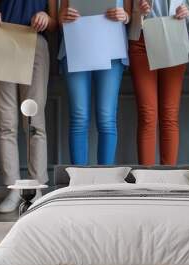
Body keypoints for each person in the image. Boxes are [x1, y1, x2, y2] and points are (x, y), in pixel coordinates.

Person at [0, 0, 57, 213]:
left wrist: (46, 18)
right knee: (6, 123)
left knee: (35, 123)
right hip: (2, 41)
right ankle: (13, 190)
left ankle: (36, 189)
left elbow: (54, 23)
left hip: (34, 43)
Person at [58, 0, 131, 165]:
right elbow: (60, 17)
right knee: (79, 117)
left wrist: (125, 16)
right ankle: (79, 184)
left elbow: (130, 14)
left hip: (111, 49)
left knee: (107, 118)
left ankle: (105, 184)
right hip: (76, 47)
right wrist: (63, 17)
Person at [128, 0, 189, 166]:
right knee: (147, 115)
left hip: (174, 37)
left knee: (170, 114)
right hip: (142, 40)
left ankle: (168, 181)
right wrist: (138, 12)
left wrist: (187, 13)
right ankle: (146, 181)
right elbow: (126, 12)